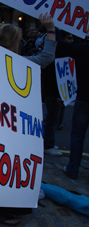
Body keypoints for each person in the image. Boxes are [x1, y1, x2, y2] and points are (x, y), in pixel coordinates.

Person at [0, 13, 56, 225]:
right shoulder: (22, 64)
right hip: (11, 127)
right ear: (16, 42)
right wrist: (51, 29)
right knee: (8, 167)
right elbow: (46, 57)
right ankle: (3, 210)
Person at [55, 32, 89, 179]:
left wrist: (53, 27)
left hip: (84, 98)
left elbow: (61, 47)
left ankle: (73, 169)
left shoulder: (84, 49)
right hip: (82, 98)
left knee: (77, 136)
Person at [41, 30, 74, 156]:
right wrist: (56, 94)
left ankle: (49, 143)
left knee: (53, 119)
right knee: (52, 119)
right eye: (69, 38)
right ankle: (48, 145)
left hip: (58, 93)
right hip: (54, 94)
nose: (71, 41)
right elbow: (51, 77)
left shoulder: (64, 56)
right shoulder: (55, 56)